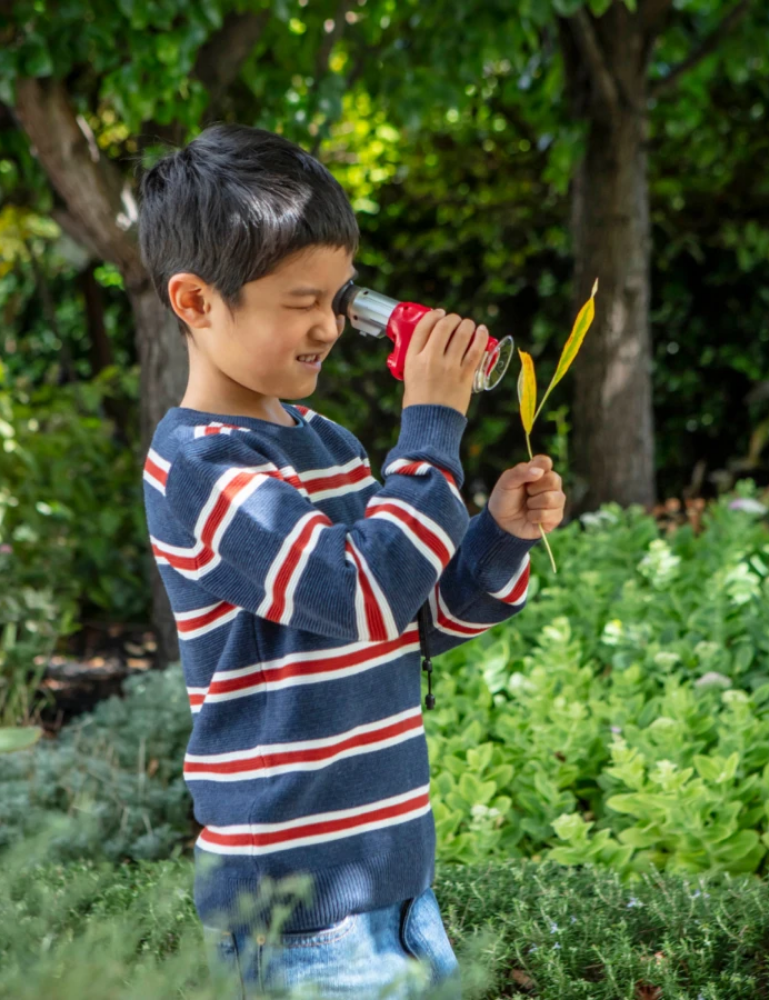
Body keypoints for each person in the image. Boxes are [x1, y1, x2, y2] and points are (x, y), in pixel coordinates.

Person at [137, 123, 566, 999]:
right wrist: (433, 429)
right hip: (298, 916)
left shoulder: (327, 443)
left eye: (341, 298)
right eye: (302, 301)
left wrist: (495, 534)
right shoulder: (200, 467)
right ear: (196, 302)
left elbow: (404, 624)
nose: (332, 326)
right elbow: (360, 593)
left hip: (397, 887)